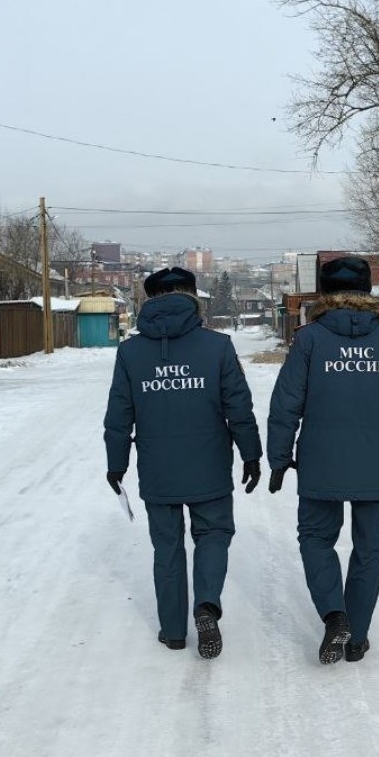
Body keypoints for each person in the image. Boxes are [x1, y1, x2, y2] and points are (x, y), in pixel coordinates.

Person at [267, 256, 379, 664]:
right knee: (368, 548)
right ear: (368, 291)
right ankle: (357, 637)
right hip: (375, 461)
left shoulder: (310, 339)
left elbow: (286, 405)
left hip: (321, 461)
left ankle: (335, 615)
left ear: (324, 292)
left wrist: (279, 458)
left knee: (317, 539)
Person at [104, 267, 262, 659]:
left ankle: (173, 632)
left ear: (148, 300)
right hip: (209, 466)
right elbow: (239, 407)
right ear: (193, 297)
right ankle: (206, 603)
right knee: (212, 535)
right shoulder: (218, 346)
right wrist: (251, 454)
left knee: (167, 547)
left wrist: (116, 463)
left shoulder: (130, 352)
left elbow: (119, 414)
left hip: (158, 469)